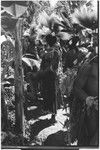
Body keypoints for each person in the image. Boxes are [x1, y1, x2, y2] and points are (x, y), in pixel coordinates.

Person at [71, 51, 98, 146]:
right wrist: (87, 98)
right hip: (92, 112)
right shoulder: (89, 66)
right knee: (90, 142)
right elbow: (76, 87)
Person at [28, 52, 58, 123]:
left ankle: (52, 116)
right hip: (49, 83)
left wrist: (34, 75)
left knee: (51, 99)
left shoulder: (50, 63)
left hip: (49, 83)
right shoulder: (54, 55)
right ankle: (52, 115)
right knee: (50, 98)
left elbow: (42, 72)